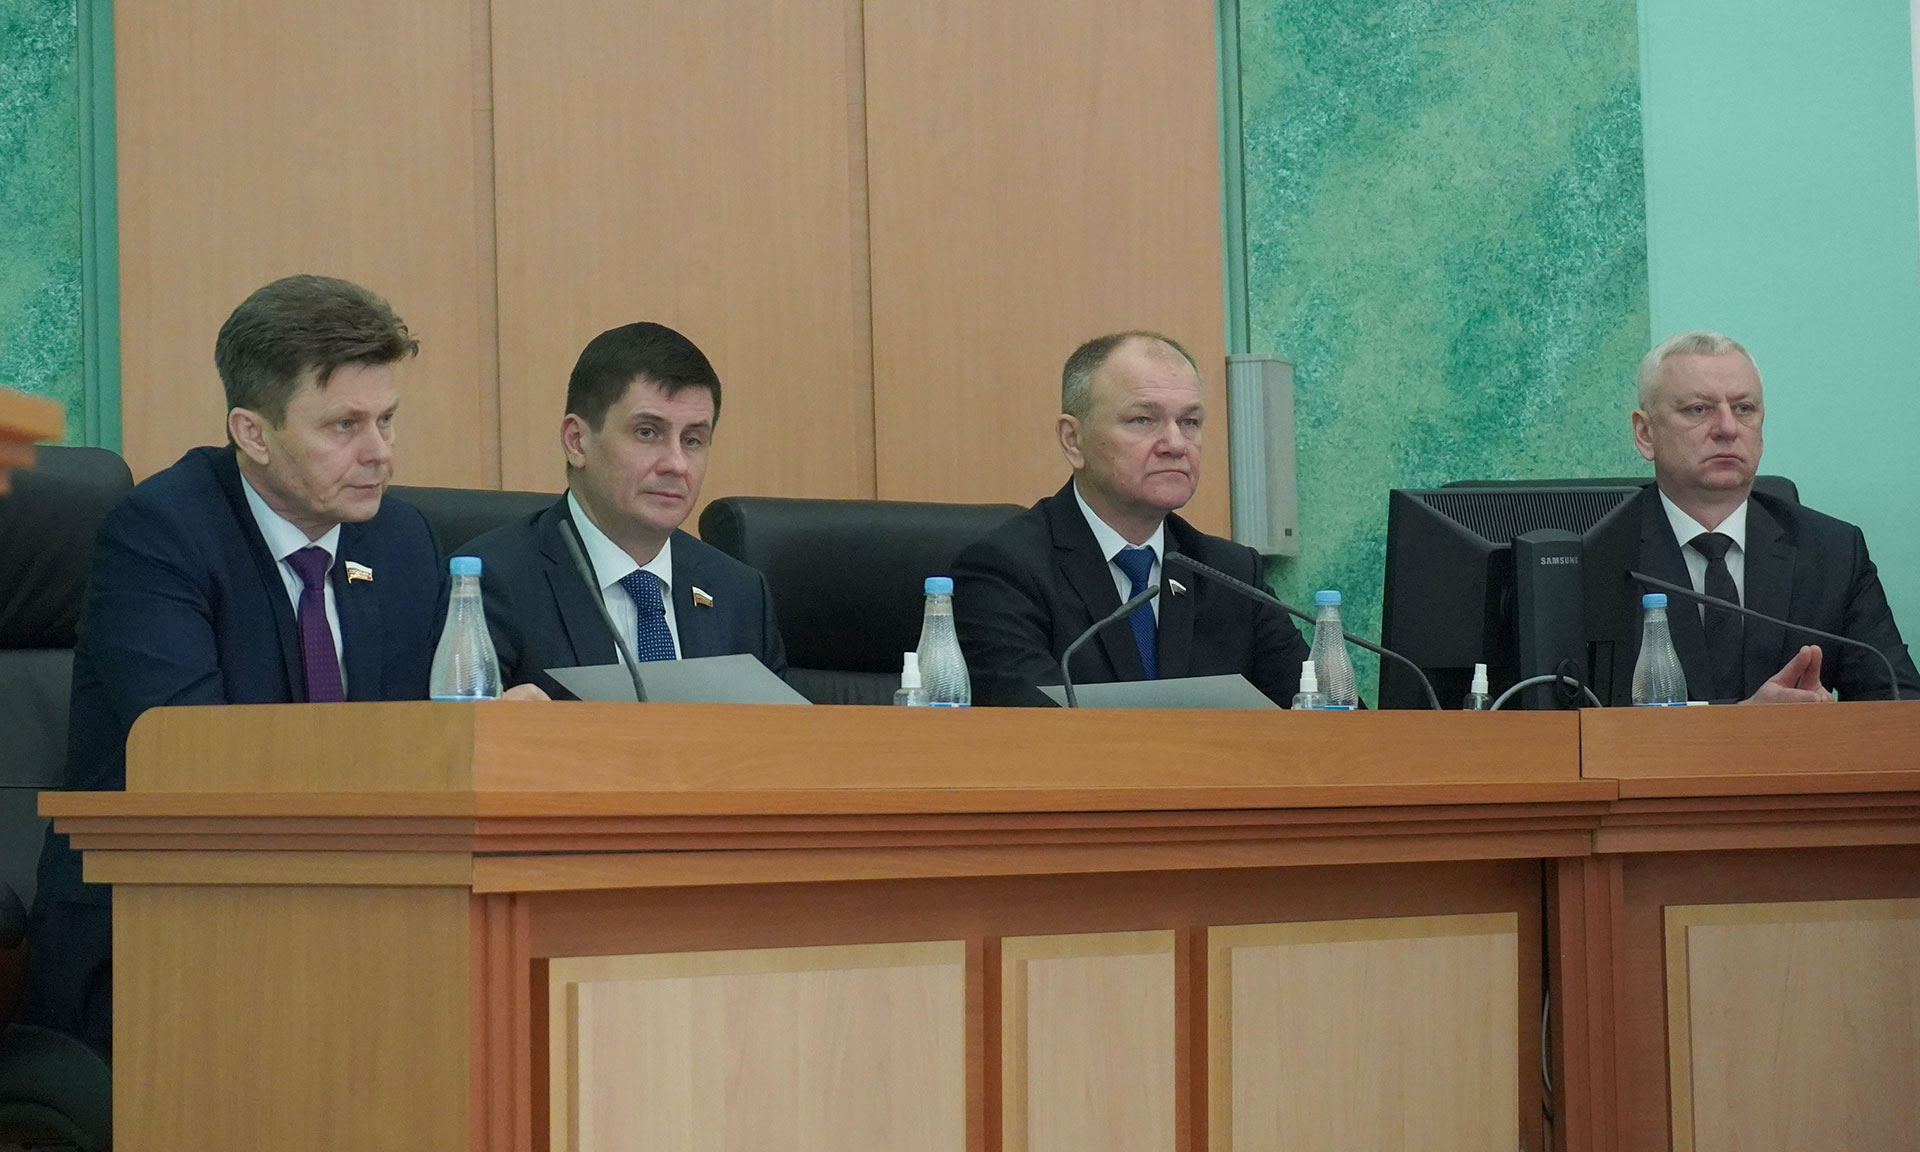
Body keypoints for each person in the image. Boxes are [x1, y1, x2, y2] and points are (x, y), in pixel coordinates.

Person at [21, 274, 534, 1059]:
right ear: (252, 434)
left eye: (387, 420)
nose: (380, 452)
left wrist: (492, 740)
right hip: (162, 926)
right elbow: (198, 758)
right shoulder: (159, 535)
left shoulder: (402, 543)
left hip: (356, 920)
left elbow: (427, 739)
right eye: (344, 426)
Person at [951, 331, 1310, 706]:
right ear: (1073, 440)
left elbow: (1325, 716)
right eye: (1143, 420)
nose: (1175, 444)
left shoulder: (1231, 575)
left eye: (1189, 422)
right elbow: (1032, 723)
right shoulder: (1005, 571)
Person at [461, 322, 786, 696]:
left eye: (693, 440)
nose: (676, 464)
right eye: (647, 432)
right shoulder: (490, 584)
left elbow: (780, 732)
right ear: (577, 441)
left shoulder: (740, 594)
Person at [1613, 330, 1920, 704]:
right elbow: (1558, 712)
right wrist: (1746, 723)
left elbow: (1898, 698)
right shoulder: (1593, 559)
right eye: (1698, 409)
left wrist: (1827, 722)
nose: (1727, 428)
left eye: (1744, 408)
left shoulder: (1832, 552)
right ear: (1645, 433)